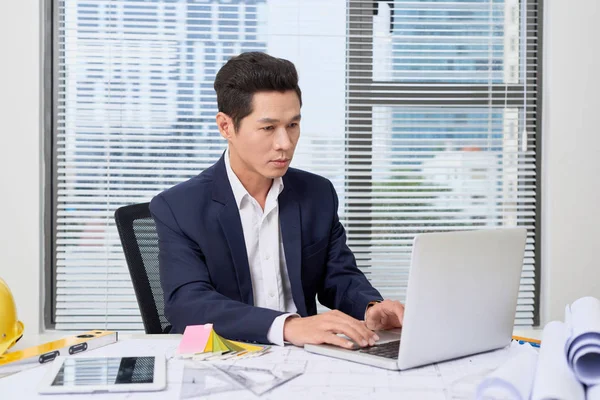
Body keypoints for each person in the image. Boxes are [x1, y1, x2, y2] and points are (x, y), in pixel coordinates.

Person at [150, 52, 405, 349]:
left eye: (293, 125)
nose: (284, 143)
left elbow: (338, 275)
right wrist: (287, 326)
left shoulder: (317, 194)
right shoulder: (179, 207)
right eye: (268, 128)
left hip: (304, 358)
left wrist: (370, 307)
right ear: (226, 127)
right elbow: (187, 305)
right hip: (223, 356)